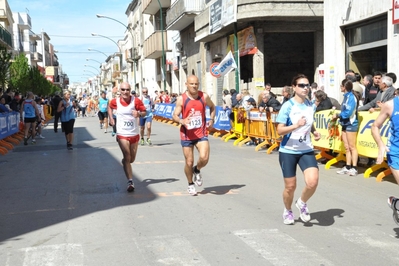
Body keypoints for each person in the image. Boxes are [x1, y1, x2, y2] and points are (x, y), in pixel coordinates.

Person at [275, 74, 321, 225]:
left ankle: (301, 202)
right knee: (290, 187)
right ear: (294, 87)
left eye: (307, 85)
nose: (305, 88)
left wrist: (313, 131)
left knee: (312, 182)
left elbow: (308, 122)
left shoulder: (310, 105)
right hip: (288, 151)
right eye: (301, 85)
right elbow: (279, 130)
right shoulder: (287, 106)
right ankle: (288, 210)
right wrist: (296, 126)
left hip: (306, 149)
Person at [172, 75, 216, 196]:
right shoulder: (182, 99)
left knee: (204, 158)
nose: (194, 86)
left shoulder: (204, 96)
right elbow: (175, 115)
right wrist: (182, 121)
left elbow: (212, 107)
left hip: (201, 133)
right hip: (186, 135)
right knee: (189, 162)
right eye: (191, 84)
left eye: (196, 84)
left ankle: (197, 170)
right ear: (186, 84)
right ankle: (190, 184)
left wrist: (211, 119)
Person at [108, 82, 146, 192]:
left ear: (130, 90)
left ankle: (125, 161)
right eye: (123, 90)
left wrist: (139, 114)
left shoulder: (136, 101)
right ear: (120, 90)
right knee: (127, 154)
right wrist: (111, 118)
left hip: (134, 133)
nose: (125, 92)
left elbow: (144, 112)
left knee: (131, 159)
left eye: (127, 90)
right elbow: (110, 107)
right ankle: (130, 181)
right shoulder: (115, 101)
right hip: (122, 133)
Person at [371, 94, 399, 225]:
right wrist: (381, 145)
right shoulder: (390, 105)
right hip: (396, 153)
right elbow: (375, 126)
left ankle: (395, 203)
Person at [335, 79, 359, 176]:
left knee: (352, 146)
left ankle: (354, 167)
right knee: (347, 147)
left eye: (341, 86)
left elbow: (348, 112)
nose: (340, 87)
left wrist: (337, 115)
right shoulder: (345, 97)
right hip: (344, 123)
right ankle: (348, 166)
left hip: (351, 123)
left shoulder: (351, 97)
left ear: (344, 87)